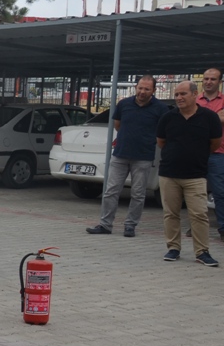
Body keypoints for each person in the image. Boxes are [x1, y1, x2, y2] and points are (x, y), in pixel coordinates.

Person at [85, 75, 163, 237]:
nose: (142, 92)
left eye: (147, 89)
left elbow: (162, 131)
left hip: (143, 157)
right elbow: (118, 125)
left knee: (138, 194)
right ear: (136, 87)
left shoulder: (160, 108)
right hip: (120, 155)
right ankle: (105, 225)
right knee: (111, 191)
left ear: (154, 91)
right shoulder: (124, 104)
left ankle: (130, 226)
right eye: (140, 88)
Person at [157, 80, 222, 266]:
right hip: (169, 174)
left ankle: (202, 252)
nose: (178, 98)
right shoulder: (168, 118)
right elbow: (161, 141)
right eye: (177, 94)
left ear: (195, 94)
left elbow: (215, 143)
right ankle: (173, 248)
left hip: (196, 175)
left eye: (183, 94)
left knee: (199, 214)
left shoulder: (209, 117)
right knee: (171, 213)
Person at [198, 67, 224, 242]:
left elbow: (197, 119)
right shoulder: (194, 99)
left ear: (219, 82)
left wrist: (202, 117)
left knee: (220, 192)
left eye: (213, 79)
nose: (208, 82)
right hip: (195, 153)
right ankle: (196, 227)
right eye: (206, 79)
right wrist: (217, 117)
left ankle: (223, 228)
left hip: (218, 153)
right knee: (195, 192)